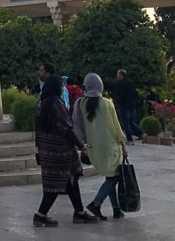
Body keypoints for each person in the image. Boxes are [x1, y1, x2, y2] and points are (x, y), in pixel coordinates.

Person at [33, 75, 97, 227]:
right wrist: (81, 145)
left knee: (70, 180)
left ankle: (79, 212)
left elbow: (37, 129)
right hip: (61, 150)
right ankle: (40, 215)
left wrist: (38, 150)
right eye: (61, 85)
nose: (63, 88)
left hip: (46, 149)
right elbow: (67, 128)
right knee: (57, 183)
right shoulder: (56, 103)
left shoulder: (40, 104)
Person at [73, 73, 127, 220]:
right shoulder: (107, 103)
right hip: (110, 147)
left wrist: (82, 145)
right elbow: (116, 126)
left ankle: (116, 209)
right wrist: (123, 145)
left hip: (93, 148)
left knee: (109, 176)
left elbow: (77, 126)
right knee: (114, 177)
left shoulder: (80, 103)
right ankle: (96, 204)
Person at [113, 69, 143, 144]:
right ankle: (140, 133)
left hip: (124, 105)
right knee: (131, 122)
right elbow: (135, 93)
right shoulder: (130, 82)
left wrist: (118, 101)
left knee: (126, 122)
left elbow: (121, 95)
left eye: (118, 74)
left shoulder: (121, 84)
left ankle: (129, 139)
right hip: (131, 105)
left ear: (121, 75)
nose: (117, 76)